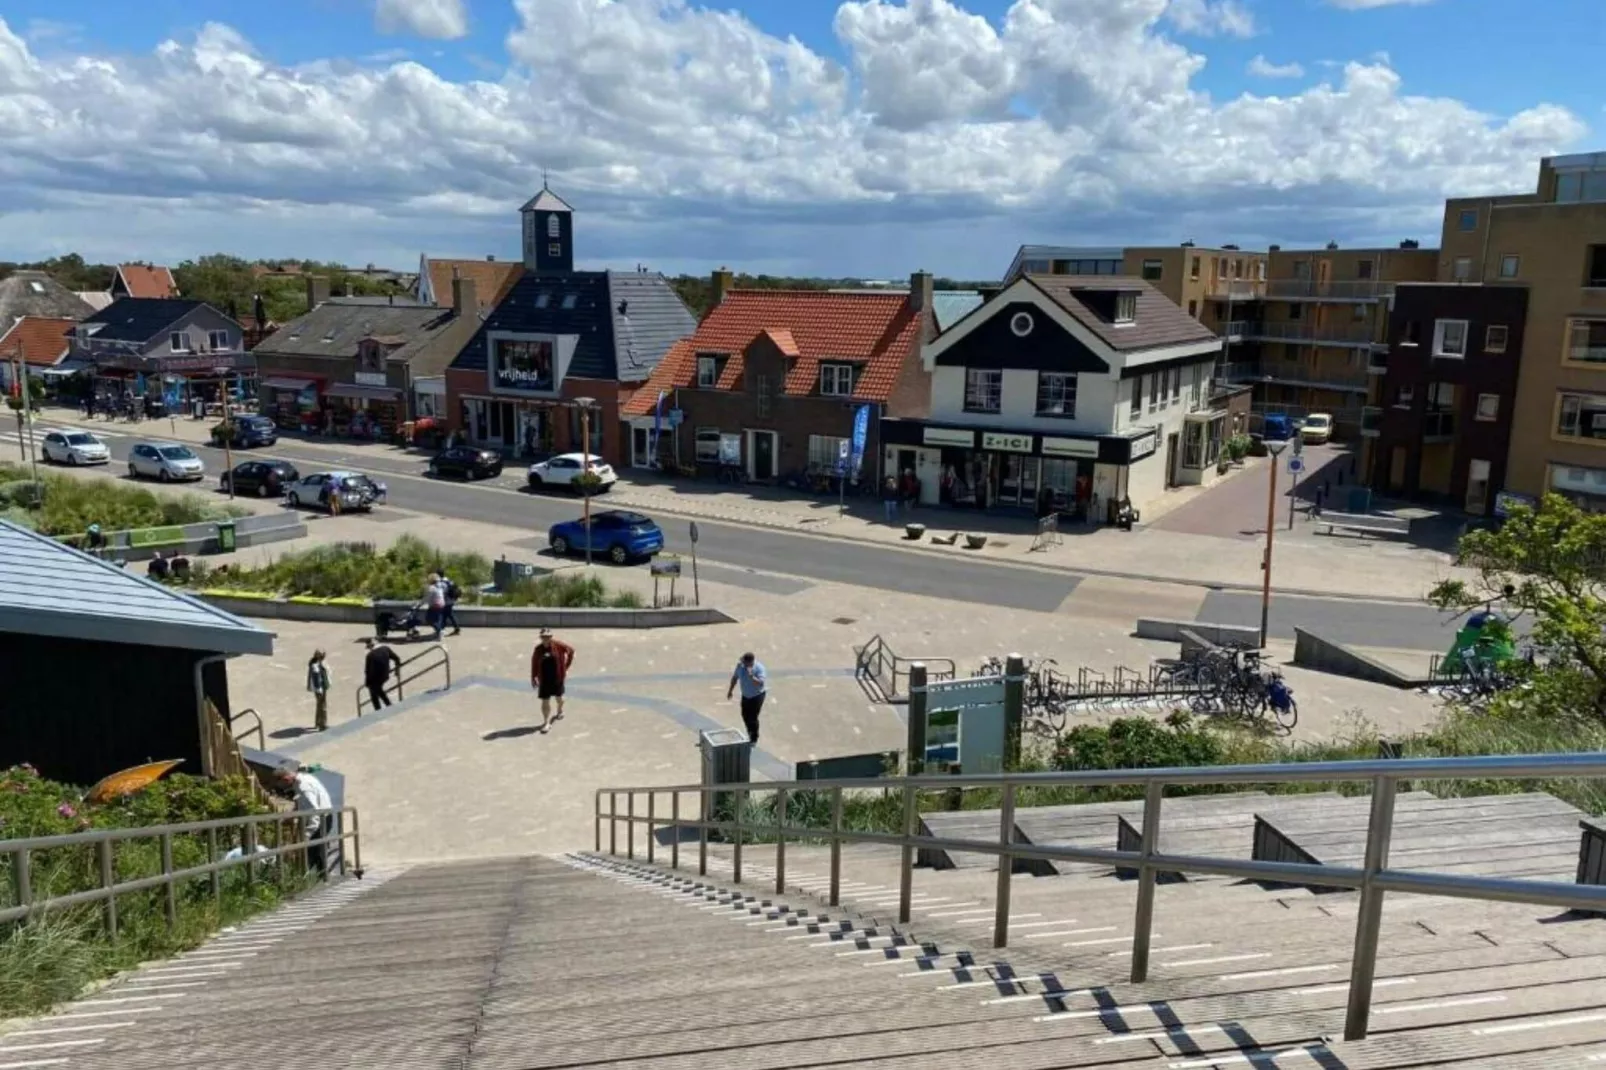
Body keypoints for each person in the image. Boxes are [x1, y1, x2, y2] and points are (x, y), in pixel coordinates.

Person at [273, 762, 333, 877]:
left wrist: (306, 835)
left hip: (321, 819)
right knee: (316, 851)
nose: (284, 789)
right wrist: (291, 814)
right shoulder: (303, 778)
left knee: (312, 851)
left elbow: (313, 813)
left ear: (286, 779)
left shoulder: (304, 788)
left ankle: (310, 879)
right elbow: (302, 803)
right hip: (324, 815)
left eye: (282, 785)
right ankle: (321, 878)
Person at [531, 628, 574, 731]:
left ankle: (560, 710)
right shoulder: (538, 649)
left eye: (548, 637)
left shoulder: (558, 645)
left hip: (557, 678)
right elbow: (534, 663)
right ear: (541, 638)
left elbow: (571, 651)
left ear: (551, 637)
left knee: (559, 699)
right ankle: (546, 723)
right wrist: (533, 677)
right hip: (544, 679)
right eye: (544, 637)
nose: (546, 639)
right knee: (545, 701)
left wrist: (565, 667)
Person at [727, 651, 768, 745]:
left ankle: (754, 738)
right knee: (745, 715)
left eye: (745, 663)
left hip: (757, 696)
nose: (743, 664)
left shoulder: (759, 668)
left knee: (753, 717)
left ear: (751, 662)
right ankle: (750, 731)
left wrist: (751, 676)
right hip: (745, 695)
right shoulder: (740, 666)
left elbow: (759, 683)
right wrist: (730, 691)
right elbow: (735, 678)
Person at [362, 637, 401, 711]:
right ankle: (388, 705)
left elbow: (367, 671)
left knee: (373, 692)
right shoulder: (386, 648)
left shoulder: (370, 655)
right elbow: (397, 658)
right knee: (378, 690)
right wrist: (397, 670)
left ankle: (380, 709)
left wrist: (367, 683)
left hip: (375, 679)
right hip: (385, 675)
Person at [306, 650, 331, 731]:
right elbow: (317, 680)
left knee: (319, 705)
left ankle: (317, 723)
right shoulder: (315, 666)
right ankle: (323, 725)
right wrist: (319, 690)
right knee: (322, 707)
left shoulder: (316, 664)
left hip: (320, 688)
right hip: (320, 689)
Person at [421, 572, 447, 642]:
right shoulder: (439, 586)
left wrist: (420, 603)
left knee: (429, 619)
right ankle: (439, 632)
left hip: (435, 605)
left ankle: (440, 631)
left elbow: (427, 597)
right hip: (442, 604)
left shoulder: (431, 588)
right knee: (438, 620)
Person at [439, 571, 462, 637]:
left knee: (446, 615)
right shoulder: (449, 581)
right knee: (447, 615)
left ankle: (442, 629)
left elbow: (442, 593)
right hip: (451, 600)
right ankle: (443, 628)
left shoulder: (442, 583)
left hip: (446, 601)